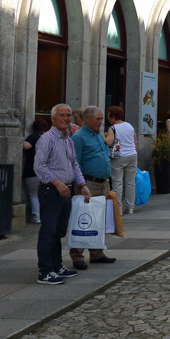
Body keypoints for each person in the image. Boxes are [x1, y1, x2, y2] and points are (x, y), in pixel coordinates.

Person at [34, 104, 89, 284]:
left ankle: (57, 265)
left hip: (67, 190)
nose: (66, 119)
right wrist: (57, 183)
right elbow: (39, 166)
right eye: (62, 116)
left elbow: (74, 164)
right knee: (48, 231)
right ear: (53, 118)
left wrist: (82, 184)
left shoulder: (68, 139)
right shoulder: (47, 139)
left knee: (59, 231)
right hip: (51, 190)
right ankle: (45, 271)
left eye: (68, 116)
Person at [70, 105, 116, 269]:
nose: (100, 121)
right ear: (86, 119)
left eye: (101, 118)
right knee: (83, 219)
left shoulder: (97, 135)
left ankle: (97, 253)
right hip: (88, 183)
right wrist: (81, 185)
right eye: (97, 119)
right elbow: (76, 163)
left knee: (99, 220)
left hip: (102, 183)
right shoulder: (79, 137)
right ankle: (77, 256)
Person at [105, 106, 138, 214]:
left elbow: (109, 142)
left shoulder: (113, 128)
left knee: (117, 183)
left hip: (118, 157)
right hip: (132, 155)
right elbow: (135, 141)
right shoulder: (129, 126)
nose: (108, 118)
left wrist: (104, 136)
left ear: (113, 116)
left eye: (109, 115)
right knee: (130, 182)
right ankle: (130, 207)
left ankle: (118, 208)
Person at [22, 119, 49, 223]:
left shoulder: (34, 136)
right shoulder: (47, 138)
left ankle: (36, 216)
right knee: (43, 194)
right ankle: (44, 215)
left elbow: (26, 146)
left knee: (34, 195)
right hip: (45, 170)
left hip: (32, 170)